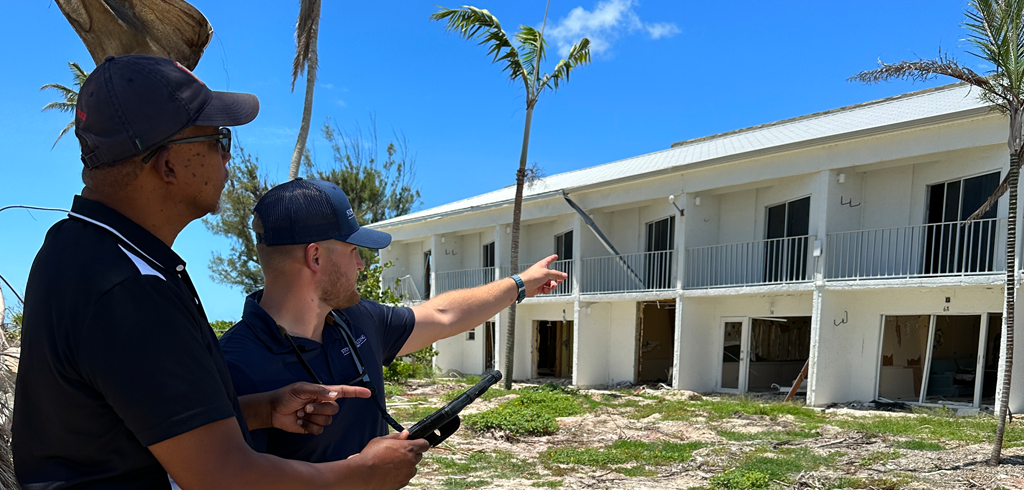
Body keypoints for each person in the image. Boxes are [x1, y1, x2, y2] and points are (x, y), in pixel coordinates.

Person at [12, 54, 429, 490]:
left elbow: (135, 420)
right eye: (218, 139)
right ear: (168, 165)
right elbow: (224, 477)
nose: (228, 156)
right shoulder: (129, 289)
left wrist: (262, 410)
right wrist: (366, 473)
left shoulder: (77, 247)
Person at [219, 178, 567, 462]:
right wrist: (363, 474)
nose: (361, 266)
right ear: (315, 257)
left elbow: (442, 315)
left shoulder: (354, 319)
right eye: (354, 251)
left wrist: (519, 284)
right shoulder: (233, 367)